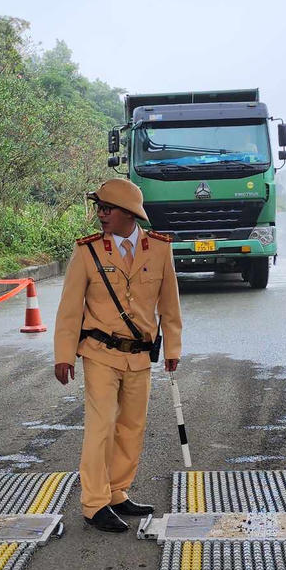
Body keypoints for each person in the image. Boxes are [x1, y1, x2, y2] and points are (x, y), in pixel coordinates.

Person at [54, 179, 183, 533]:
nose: (101, 214)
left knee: (131, 428)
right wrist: (63, 355)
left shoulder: (158, 249)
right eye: (99, 208)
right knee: (101, 426)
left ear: (128, 213)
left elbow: (169, 305)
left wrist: (172, 346)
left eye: (107, 208)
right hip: (99, 353)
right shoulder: (88, 251)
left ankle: (116, 492)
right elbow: (69, 309)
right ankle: (94, 504)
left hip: (139, 356)